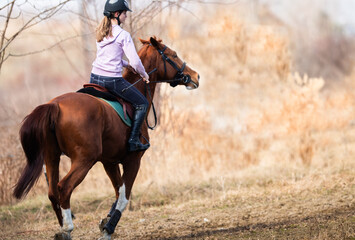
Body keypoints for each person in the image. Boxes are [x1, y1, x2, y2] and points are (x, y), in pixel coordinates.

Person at [90, 0, 150, 152]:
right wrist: (144, 74)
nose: (126, 16)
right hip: (112, 81)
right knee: (142, 103)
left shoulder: (101, 32)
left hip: (94, 77)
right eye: (124, 14)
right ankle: (133, 141)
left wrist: (124, 65)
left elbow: (108, 56)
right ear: (116, 14)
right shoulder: (123, 35)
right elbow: (136, 61)